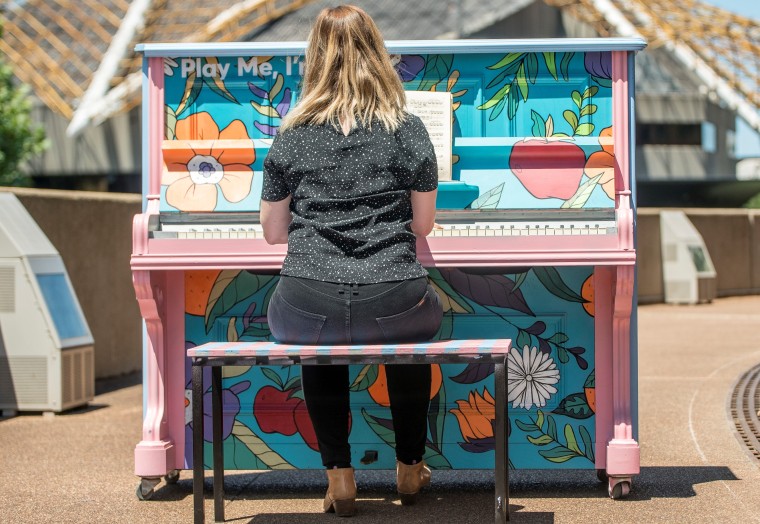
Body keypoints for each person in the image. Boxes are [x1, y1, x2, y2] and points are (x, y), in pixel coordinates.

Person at [260, 4, 443, 518]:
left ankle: (340, 479)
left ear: (314, 58)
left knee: (317, 343)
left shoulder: (292, 132)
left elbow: (274, 233)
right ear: (377, 56)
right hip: (393, 295)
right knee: (408, 338)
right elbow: (423, 226)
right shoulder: (406, 127)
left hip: (305, 300)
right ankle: (409, 467)